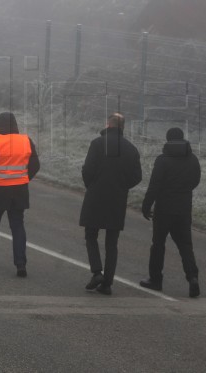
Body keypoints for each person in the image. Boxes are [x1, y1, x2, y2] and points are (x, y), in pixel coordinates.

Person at [78, 113, 142, 295]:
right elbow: (137, 176)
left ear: (108, 124)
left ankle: (97, 271)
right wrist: (122, 186)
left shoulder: (97, 144)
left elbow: (88, 169)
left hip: (96, 195)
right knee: (111, 243)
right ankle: (107, 283)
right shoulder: (131, 149)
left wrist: (91, 185)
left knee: (91, 235)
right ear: (123, 127)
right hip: (117, 198)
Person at [0, 112, 40, 277]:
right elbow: (35, 165)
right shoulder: (26, 141)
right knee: (17, 226)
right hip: (19, 190)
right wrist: (24, 178)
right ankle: (21, 264)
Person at [140, 127, 202, 298]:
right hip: (183, 208)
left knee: (158, 244)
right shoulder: (192, 159)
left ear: (167, 141)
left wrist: (146, 205)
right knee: (185, 245)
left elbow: (154, 185)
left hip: (164, 208)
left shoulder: (162, 160)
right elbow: (196, 180)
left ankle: (155, 279)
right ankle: (193, 278)